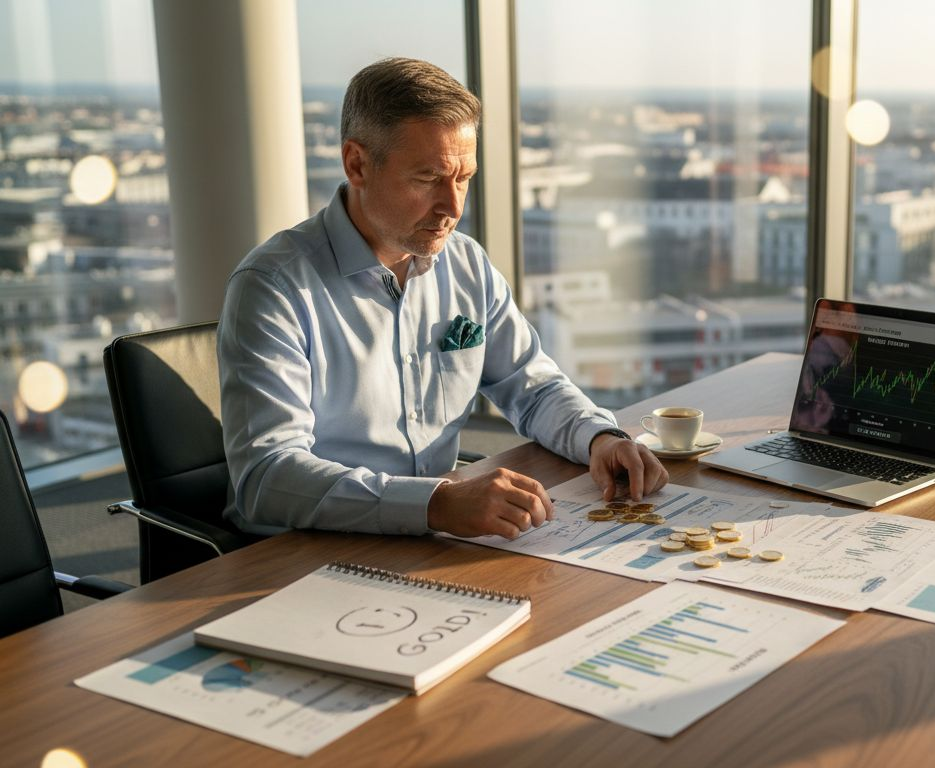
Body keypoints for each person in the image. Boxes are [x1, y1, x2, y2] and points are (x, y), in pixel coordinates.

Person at [218, 57, 667, 541]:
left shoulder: (465, 263)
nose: (453, 206)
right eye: (428, 178)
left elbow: (532, 387)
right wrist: (434, 503)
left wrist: (599, 437)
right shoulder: (273, 287)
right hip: (300, 552)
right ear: (357, 165)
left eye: (463, 178)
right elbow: (267, 475)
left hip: (433, 537)